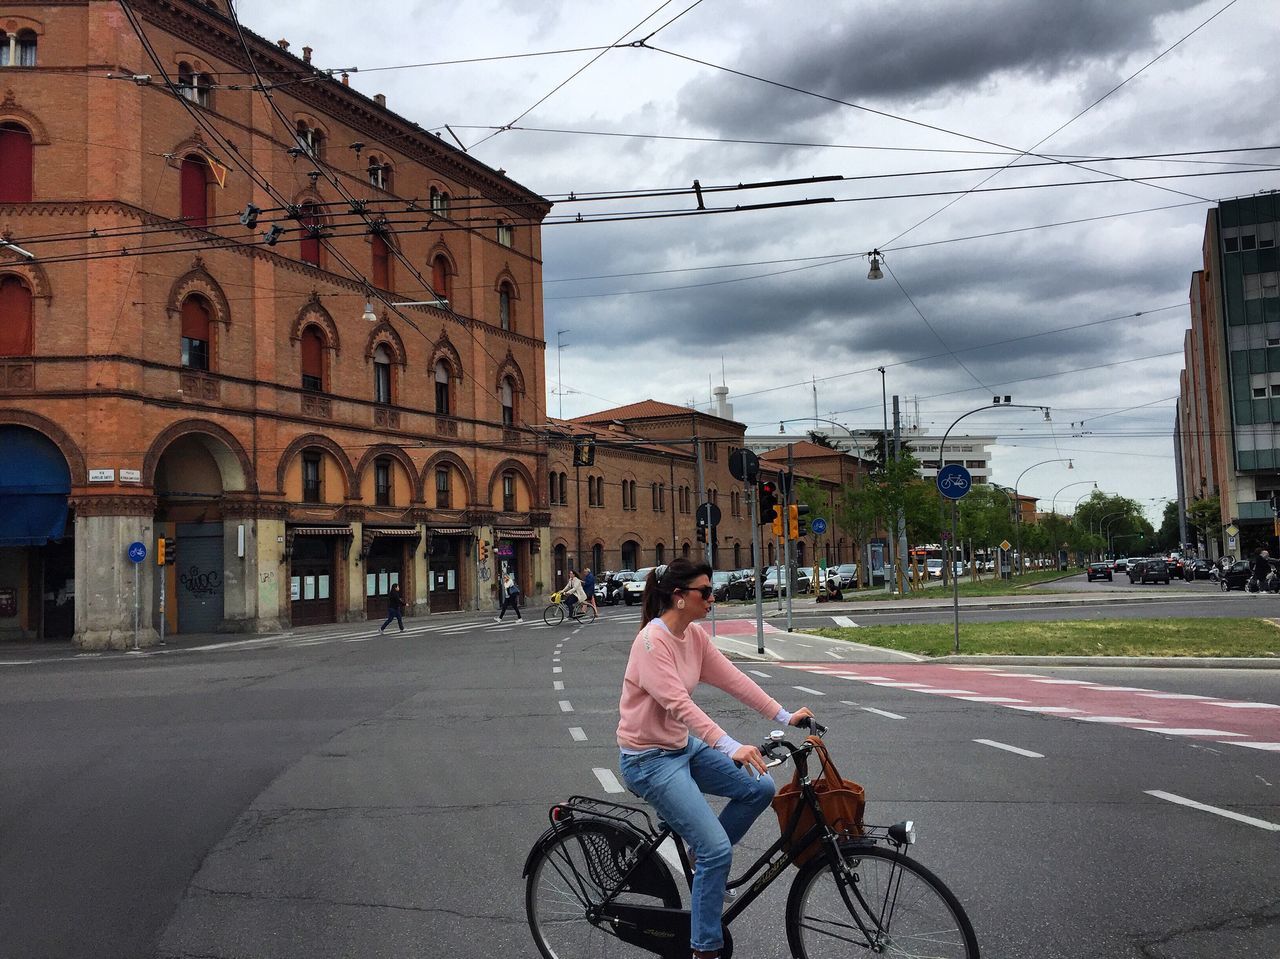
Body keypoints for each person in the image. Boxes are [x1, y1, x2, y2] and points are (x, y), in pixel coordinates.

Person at [616, 559, 813, 959]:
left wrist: (784, 715)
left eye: (712, 590)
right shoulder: (651, 643)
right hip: (648, 760)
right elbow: (678, 705)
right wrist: (731, 745)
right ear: (678, 597)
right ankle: (704, 948)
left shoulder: (694, 636)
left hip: (680, 747)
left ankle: (698, 856)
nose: (713, 597)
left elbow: (734, 679)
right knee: (717, 851)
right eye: (704, 592)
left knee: (759, 787)